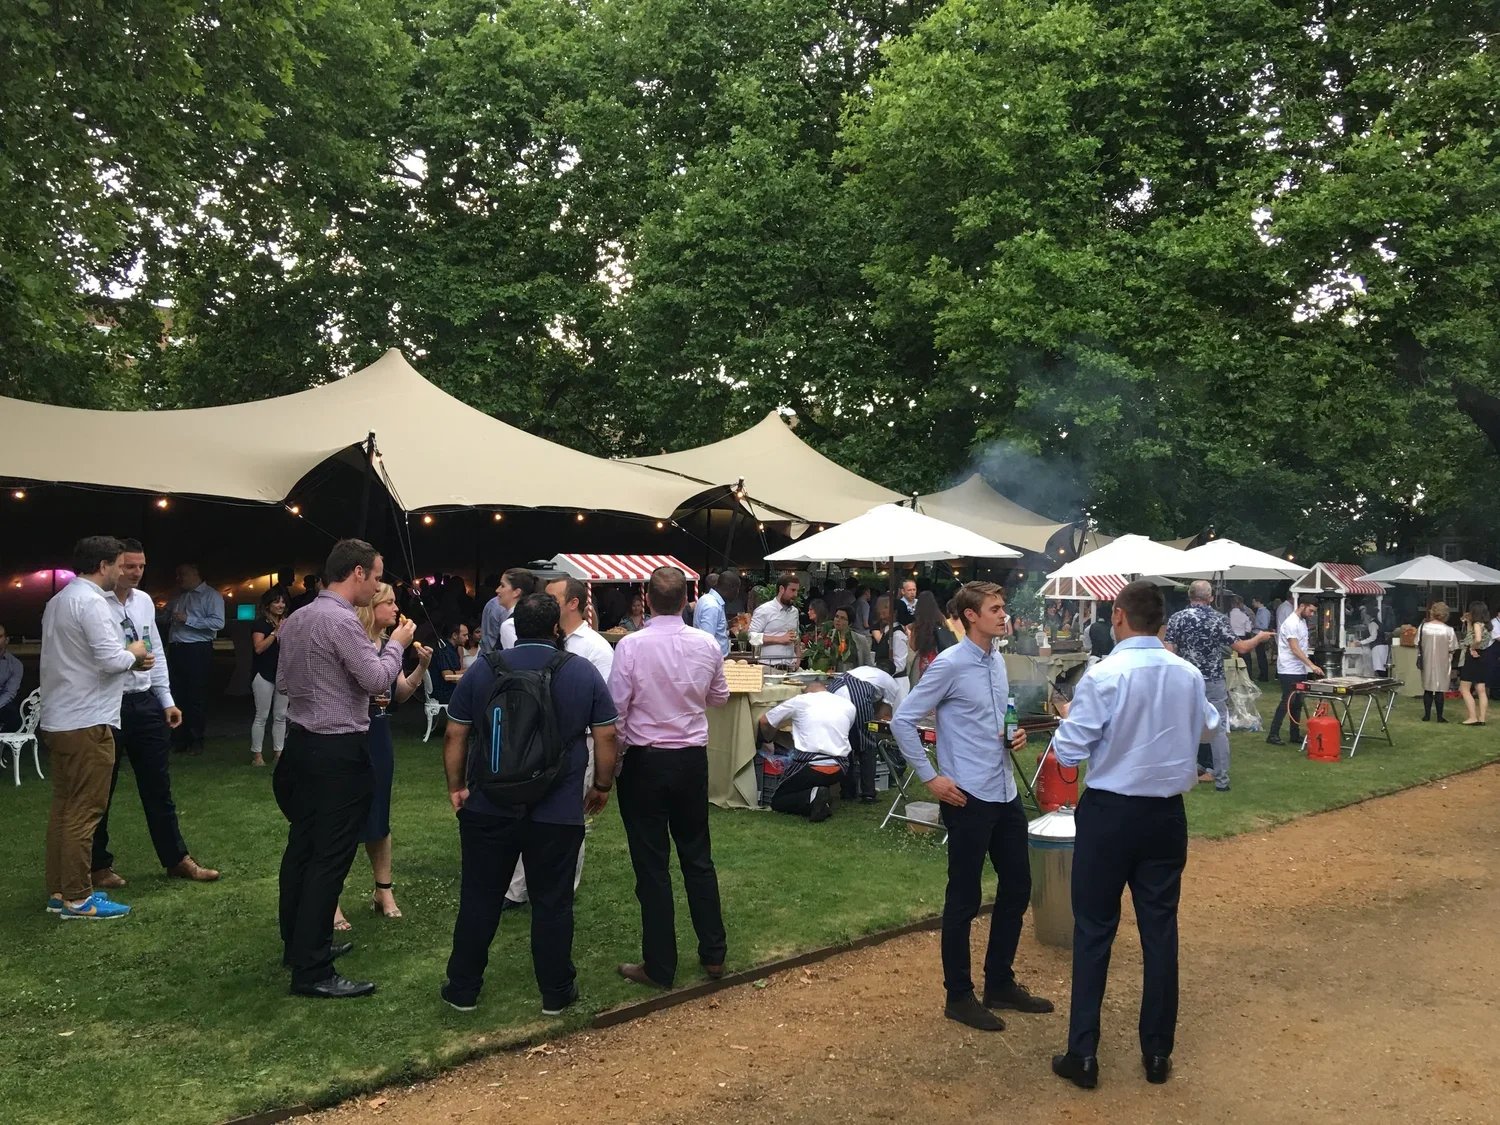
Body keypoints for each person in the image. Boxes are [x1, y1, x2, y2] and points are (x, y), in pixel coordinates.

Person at [1049, 580, 1220, 1090]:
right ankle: (1157, 1053)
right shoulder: (1186, 673)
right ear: (1161, 622)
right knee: (1160, 929)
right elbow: (1210, 726)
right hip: (1166, 814)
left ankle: (1083, 1055)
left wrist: (1066, 718)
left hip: (1110, 814)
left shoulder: (1104, 675)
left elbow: (1070, 752)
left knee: (1094, 929)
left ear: (1119, 616)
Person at [440, 593, 619, 1015]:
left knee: (479, 898)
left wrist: (456, 787)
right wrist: (603, 786)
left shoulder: (483, 668)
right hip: (557, 809)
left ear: (515, 627)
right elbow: (607, 736)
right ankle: (556, 993)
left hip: (489, 803)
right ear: (556, 628)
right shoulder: (581, 671)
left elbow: (455, 734)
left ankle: (462, 988)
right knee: (553, 903)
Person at [892, 581, 1051, 1032]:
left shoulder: (997, 660)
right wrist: (931, 777)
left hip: (1003, 791)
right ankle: (958, 995)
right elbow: (904, 720)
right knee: (962, 897)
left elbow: (1000, 714)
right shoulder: (949, 664)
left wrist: (1014, 732)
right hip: (967, 796)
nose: (1004, 616)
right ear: (970, 617)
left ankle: (999, 982)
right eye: (995, 609)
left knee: (1018, 885)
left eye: (1003, 609)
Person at [274, 539, 415, 999]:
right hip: (336, 751)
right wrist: (396, 646)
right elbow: (377, 682)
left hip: (300, 744)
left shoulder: (296, 618)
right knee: (328, 858)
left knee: (302, 849)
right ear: (357, 573)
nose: (376, 585)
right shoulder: (339, 621)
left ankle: (298, 945)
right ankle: (312, 968)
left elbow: (282, 681)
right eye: (375, 577)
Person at [609, 565, 730, 989]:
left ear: (645, 597)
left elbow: (616, 712)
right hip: (689, 759)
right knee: (697, 857)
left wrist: (619, 760)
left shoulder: (630, 647)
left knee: (652, 865)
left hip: (647, 760)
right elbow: (719, 696)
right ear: (685, 600)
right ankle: (713, 953)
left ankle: (661, 965)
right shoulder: (706, 644)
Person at [91, 537, 219, 889]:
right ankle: (97, 865)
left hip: (144, 701)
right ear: (111, 566)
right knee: (102, 788)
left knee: (159, 786)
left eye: (141, 566)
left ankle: (177, 859)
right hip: (107, 703)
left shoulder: (144, 602)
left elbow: (155, 651)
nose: (135, 572)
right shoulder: (94, 603)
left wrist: (166, 699)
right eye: (128, 566)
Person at [41, 536, 152, 920]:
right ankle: (77, 897)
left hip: (60, 718)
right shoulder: (91, 603)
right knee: (84, 811)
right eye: (120, 565)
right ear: (104, 566)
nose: (124, 572)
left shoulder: (58, 601)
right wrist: (135, 654)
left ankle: (59, 891)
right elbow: (110, 659)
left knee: (64, 807)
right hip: (88, 720)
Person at [499, 576, 617, 909]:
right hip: (530, 741)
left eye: (553, 598)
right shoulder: (544, 641)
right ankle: (518, 888)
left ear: (573, 603)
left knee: (568, 818)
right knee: (527, 809)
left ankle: (563, 886)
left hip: (578, 743)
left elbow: (604, 711)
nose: (547, 603)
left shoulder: (595, 647)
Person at [339, 583, 431, 927]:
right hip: (352, 733)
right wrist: (396, 648)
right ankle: (332, 898)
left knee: (379, 814)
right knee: (346, 816)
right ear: (371, 606)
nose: (396, 609)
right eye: (389, 603)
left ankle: (383, 889)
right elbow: (369, 683)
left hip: (379, 734)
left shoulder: (386, 645)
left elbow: (399, 693)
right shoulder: (355, 642)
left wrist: (421, 667)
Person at [1163, 581, 1272, 792]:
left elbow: (1168, 653)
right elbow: (1241, 647)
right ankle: (1221, 779)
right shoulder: (1218, 619)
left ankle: (1183, 773)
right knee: (1218, 729)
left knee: (1184, 727)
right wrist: (1259, 637)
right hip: (1213, 680)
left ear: (1189, 596)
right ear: (1210, 597)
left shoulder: (1177, 618)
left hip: (1185, 680)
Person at [757, 681, 855, 820]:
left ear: (806, 691)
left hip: (811, 766)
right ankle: (821, 799)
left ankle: (813, 796)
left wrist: (767, 739)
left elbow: (764, 720)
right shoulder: (848, 705)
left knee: (778, 800)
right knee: (805, 782)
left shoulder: (800, 700)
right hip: (840, 767)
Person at [830, 665, 900, 802]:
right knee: (867, 744)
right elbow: (883, 714)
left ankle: (847, 791)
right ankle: (868, 793)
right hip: (856, 691)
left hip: (835, 686)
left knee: (844, 743)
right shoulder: (892, 684)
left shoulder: (868, 672)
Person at [1267, 597, 1323, 745]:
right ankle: (1273, 734)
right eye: (1310, 610)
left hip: (1299, 669)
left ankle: (1294, 734)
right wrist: (1312, 665)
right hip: (1288, 668)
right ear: (1302, 606)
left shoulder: (1302, 622)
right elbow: (1294, 648)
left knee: (1298, 702)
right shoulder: (1291, 622)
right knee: (1287, 701)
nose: (1311, 614)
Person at [250, 588, 290, 767]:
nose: (280, 605)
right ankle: (257, 755)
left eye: (282, 602)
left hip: (283, 673)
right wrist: (275, 633)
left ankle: (279, 752)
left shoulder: (288, 622)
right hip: (263, 673)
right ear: (268, 605)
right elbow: (258, 648)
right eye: (276, 601)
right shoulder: (261, 624)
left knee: (281, 715)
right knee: (262, 715)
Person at [1418, 601, 1459, 722]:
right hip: (1443, 661)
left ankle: (1427, 715)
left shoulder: (1423, 627)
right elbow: (1453, 648)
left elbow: (1417, 643)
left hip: (1427, 659)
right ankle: (1440, 717)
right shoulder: (1449, 630)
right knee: (1440, 689)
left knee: (1428, 688)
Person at [750, 575, 801, 669]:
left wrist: (798, 659)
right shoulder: (764, 610)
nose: (796, 595)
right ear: (782, 589)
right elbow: (752, 638)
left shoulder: (794, 612)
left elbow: (796, 637)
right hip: (769, 667)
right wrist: (779, 639)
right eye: (792, 590)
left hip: (791, 668)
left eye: (797, 591)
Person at [907, 590, 956, 687]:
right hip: (939, 659)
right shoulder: (941, 618)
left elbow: (913, 646)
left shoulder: (918, 623)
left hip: (924, 659)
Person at [1457, 602, 1491, 725]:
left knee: (1464, 688)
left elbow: (1477, 638)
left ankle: (1472, 717)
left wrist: (1472, 647)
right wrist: (1468, 622)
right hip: (1484, 656)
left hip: (1472, 656)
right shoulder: (1487, 625)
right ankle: (1482, 718)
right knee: (1481, 688)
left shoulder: (1477, 624)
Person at [494, 568, 537, 651]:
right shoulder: (530, 617)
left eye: (502, 586)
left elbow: (516, 659)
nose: (497, 590)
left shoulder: (510, 624)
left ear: (516, 592)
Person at [870, 594, 909, 675]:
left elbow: (899, 665)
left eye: (886, 607)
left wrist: (880, 670)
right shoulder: (887, 632)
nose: (882, 610)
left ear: (895, 612)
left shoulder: (897, 635)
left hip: (896, 682)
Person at [430, 622, 466, 705]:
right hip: (444, 692)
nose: (467, 638)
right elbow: (447, 676)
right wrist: (469, 671)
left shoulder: (453, 649)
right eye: (464, 635)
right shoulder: (444, 650)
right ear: (454, 636)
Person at [0, 622, 23, 732]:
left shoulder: (15, 664)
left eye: (0, 636)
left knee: (14, 716)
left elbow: (10, 693)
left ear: (6, 640)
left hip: (2, 702)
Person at [1228, 596, 1254, 679]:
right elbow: (1248, 629)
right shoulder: (1244, 615)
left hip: (1231, 637)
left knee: (1230, 658)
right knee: (1246, 659)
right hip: (1242, 637)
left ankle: (1232, 676)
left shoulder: (1227, 615)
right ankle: (1248, 676)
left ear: (1231, 604)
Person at [1251, 598, 1273, 680]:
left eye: (1254, 601)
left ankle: (1264, 675)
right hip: (1259, 634)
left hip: (1260, 634)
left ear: (1258, 601)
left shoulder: (1263, 612)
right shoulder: (1261, 611)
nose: (1253, 604)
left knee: (1261, 655)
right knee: (1260, 655)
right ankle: (1262, 674)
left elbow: (1264, 625)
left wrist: (1254, 626)